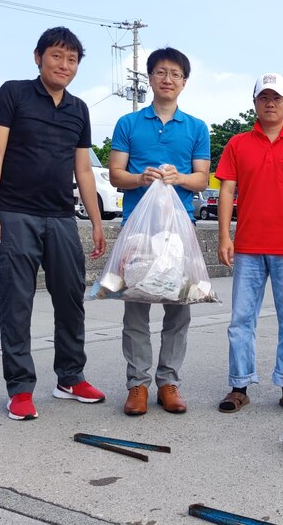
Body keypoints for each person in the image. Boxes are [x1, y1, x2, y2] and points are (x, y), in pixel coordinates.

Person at [0, 26, 107, 421]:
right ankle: (19, 388)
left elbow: (83, 170)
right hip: (15, 213)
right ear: (38, 57)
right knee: (16, 301)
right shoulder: (13, 93)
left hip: (62, 217)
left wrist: (97, 223)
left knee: (70, 298)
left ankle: (70, 377)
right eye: (56, 56)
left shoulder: (79, 109)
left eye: (71, 60)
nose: (63, 65)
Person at [107, 47, 211, 416]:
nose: (168, 80)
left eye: (175, 74)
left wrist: (178, 177)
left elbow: (202, 177)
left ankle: (169, 382)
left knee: (178, 307)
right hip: (138, 228)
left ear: (185, 82)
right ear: (149, 78)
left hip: (178, 228)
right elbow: (116, 174)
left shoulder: (197, 127)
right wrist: (141, 177)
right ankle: (137, 384)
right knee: (135, 307)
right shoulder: (129, 124)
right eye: (161, 73)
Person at [215, 73, 283, 415]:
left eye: (277, 97)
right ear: (255, 103)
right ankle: (239, 386)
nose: (270, 103)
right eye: (264, 97)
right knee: (241, 319)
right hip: (247, 246)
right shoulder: (237, 144)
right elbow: (227, 190)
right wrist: (224, 236)